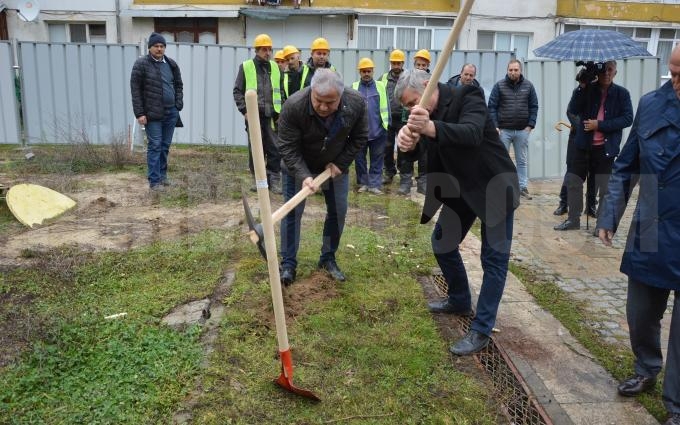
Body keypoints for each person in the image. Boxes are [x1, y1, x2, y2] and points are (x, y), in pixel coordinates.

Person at [396, 69, 519, 356]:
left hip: (493, 185)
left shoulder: (468, 95)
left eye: (413, 102)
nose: (411, 110)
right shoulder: (423, 113)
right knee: (442, 243)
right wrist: (409, 145)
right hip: (461, 189)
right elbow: (423, 151)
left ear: (427, 86)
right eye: (406, 107)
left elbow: (472, 133)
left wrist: (429, 128)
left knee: (494, 260)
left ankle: (481, 329)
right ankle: (460, 299)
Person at [596, 45, 680, 425]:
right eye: (674, 72)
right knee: (641, 313)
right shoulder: (651, 103)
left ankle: (676, 405)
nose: (676, 82)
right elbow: (627, 164)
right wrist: (609, 214)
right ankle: (647, 367)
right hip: (651, 224)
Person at [277, 69, 368, 286]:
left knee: (338, 212)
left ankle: (328, 258)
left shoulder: (355, 103)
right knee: (291, 214)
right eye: (319, 101)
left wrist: (341, 163)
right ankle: (288, 264)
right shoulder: (294, 106)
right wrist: (304, 175)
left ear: (341, 95)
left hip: (334, 166)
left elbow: (360, 137)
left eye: (331, 102)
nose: (324, 107)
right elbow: (287, 146)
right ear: (311, 92)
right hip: (297, 166)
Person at [555, 60, 632, 231]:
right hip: (583, 145)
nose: (607, 73)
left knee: (604, 187)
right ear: (597, 72)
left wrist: (600, 125)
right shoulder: (588, 89)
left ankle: (601, 225)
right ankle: (573, 220)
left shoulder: (622, 94)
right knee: (574, 181)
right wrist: (582, 85)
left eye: (610, 70)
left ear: (615, 72)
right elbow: (573, 109)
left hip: (606, 149)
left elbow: (628, 119)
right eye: (604, 70)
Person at [130, 32, 184, 192]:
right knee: (155, 145)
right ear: (150, 48)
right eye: (156, 46)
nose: (159, 49)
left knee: (165, 146)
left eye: (162, 46)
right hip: (152, 114)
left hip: (171, 112)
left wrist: (178, 104)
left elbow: (179, 85)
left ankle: (163, 177)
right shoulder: (141, 64)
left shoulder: (171, 64)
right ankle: (154, 182)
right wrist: (139, 113)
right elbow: (135, 90)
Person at [233, 33, 284, 194]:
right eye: (264, 49)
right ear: (257, 50)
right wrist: (244, 110)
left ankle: (274, 179)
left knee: (275, 147)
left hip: (272, 115)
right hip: (254, 115)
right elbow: (237, 91)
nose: (267, 53)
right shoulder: (246, 66)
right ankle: (258, 180)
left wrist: (281, 110)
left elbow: (280, 91)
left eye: (269, 49)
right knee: (256, 148)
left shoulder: (275, 67)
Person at [488, 59, 539, 200]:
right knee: (501, 159)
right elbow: (492, 107)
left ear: (520, 70)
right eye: (510, 70)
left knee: (521, 160)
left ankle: (522, 187)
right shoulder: (499, 86)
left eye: (516, 70)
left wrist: (530, 126)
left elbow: (534, 106)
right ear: (507, 70)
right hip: (504, 130)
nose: (513, 72)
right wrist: (496, 126)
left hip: (522, 130)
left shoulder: (528, 86)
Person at [352, 57, 389, 195]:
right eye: (363, 71)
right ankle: (363, 183)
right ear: (359, 72)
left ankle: (374, 184)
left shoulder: (380, 86)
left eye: (369, 71)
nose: (366, 74)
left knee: (377, 159)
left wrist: (387, 124)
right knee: (360, 159)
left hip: (378, 131)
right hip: (359, 132)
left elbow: (387, 107)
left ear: (373, 71)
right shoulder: (354, 87)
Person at [553, 111, 598, 218]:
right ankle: (563, 204)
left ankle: (591, 206)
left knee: (593, 172)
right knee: (571, 172)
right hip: (576, 138)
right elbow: (571, 111)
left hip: (595, 139)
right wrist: (585, 128)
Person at [380, 49, 406, 189]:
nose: (396, 66)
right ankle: (389, 172)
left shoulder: (408, 77)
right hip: (388, 119)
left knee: (403, 147)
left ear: (402, 63)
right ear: (390, 63)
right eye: (394, 63)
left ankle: (403, 173)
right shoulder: (383, 78)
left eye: (398, 63)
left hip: (403, 118)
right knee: (387, 146)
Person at [412, 49, 432, 194]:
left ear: (428, 65)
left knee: (425, 152)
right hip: (410, 118)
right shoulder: (408, 78)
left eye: (423, 65)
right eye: (418, 65)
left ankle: (423, 181)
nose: (420, 68)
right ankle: (406, 180)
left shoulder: (432, 79)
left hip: (426, 120)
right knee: (408, 149)